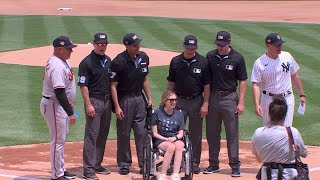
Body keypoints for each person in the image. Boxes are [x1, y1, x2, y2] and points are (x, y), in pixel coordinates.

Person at [204, 31, 247, 177]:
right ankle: (213, 164)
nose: (220, 47)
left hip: (230, 97)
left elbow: (242, 81)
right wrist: (206, 101)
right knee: (212, 132)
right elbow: (207, 82)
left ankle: (234, 165)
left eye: (222, 45)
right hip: (214, 97)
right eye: (218, 44)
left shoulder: (237, 58)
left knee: (232, 132)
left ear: (229, 43)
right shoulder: (210, 56)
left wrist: (241, 102)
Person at [110, 32, 153, 175]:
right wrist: (116, 106)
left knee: (142, 132)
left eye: (138, 44)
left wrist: (149, 98)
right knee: (124, 132)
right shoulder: (119, 61)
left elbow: (144, 79)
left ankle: (144, 162)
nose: (138, 47)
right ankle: (124, 163)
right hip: (125, 100)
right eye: (135, 45)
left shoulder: (144, 57)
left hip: (139, 99)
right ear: (127, 46)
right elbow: (113, 86)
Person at [167, 35, 210, 174]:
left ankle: (194, 162)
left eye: (193, 48)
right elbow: (171, 82)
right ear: (183, 46)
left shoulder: (203, 62)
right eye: (188, 47)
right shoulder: (176, 61)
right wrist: (169, 99)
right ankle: (174, 161)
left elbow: (207, 85)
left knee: (196, 133)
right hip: (179, 100)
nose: (190, 50)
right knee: (174, 131)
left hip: (196, 100)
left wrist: (205, 103)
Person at [40, 36, 77, 180]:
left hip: (58, 104)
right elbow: (59, 91)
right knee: (57, 141)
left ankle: (61, 169)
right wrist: (70, 112)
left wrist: (67, 103)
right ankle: (57, 174)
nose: (71, 51)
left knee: (61, 139)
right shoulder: (57, 66)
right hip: (54, 105)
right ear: (60, 49)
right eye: (69, 49)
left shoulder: (61, 61)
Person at [251, 33, 306, 127]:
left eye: (280, 44)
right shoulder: (259, 62)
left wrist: (302, 94)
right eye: (277, 45)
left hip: (287, 98)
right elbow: (256, 84)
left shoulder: (287, 56)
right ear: (268, 45)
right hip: (268, 99)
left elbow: (295, 75)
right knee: (268, 128)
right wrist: (257, 104)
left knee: (286, 129)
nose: (279, 47)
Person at [78, 33, 112, 180]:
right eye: (99, 43)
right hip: (94, 101)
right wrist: (88, 104)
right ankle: (88, 170)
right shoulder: (86, 62)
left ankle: (97, 163)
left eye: (104, 43)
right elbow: (83, 85)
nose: (102, 46)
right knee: (92, 135)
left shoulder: (108, 60)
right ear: (94, 44)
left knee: (103, 134)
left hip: (107, 101)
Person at [252, 95, 308, 180]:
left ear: (270, 114)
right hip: (288, 176)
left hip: (267, 176)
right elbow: (304, 154)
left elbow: (259, 159)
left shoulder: (258, 132)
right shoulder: (292, 132)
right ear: (285, 115)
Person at [152, 90, 185, 180]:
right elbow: (154, 133)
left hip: (175, 138)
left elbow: (181, 133)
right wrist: (166, 139)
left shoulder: (179, 114)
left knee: (180, 145)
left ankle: (175, 174)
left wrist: (174, 138)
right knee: (170, 147)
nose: (174, 102)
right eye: (171, 100)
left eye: (175, 100)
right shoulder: (157, 113)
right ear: (165, 101)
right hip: (161, 139)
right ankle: (163, 174)